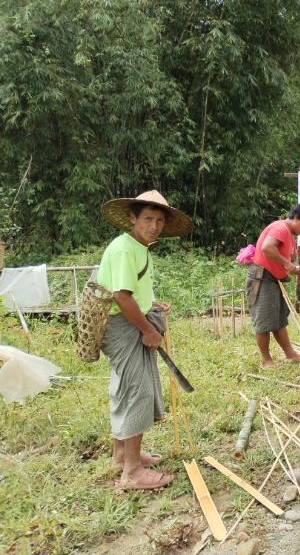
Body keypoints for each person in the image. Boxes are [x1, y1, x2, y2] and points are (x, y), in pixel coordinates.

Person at [98, 190, 193, 491]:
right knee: (137, 391)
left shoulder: (140, 248)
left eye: (160, 221)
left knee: (124, 387)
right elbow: (121, 296)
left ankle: (121, 456)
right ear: (133, 218)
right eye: (148, 219)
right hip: (123, 326)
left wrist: (151, 304)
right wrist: (148, 330)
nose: (154, 226)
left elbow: (133, 291)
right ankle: (132, 472)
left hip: (128, 321)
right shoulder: (125, 249)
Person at [245, 203, 300, 369]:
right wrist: (288, 264)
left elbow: (288, 265)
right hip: (262, 277)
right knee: (264, 319)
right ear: (297, 218)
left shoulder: (290, 235)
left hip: (274, 279)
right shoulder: (281, 228)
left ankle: (290, 354)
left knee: (279, 319)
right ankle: (266, 360)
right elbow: (267, 248)